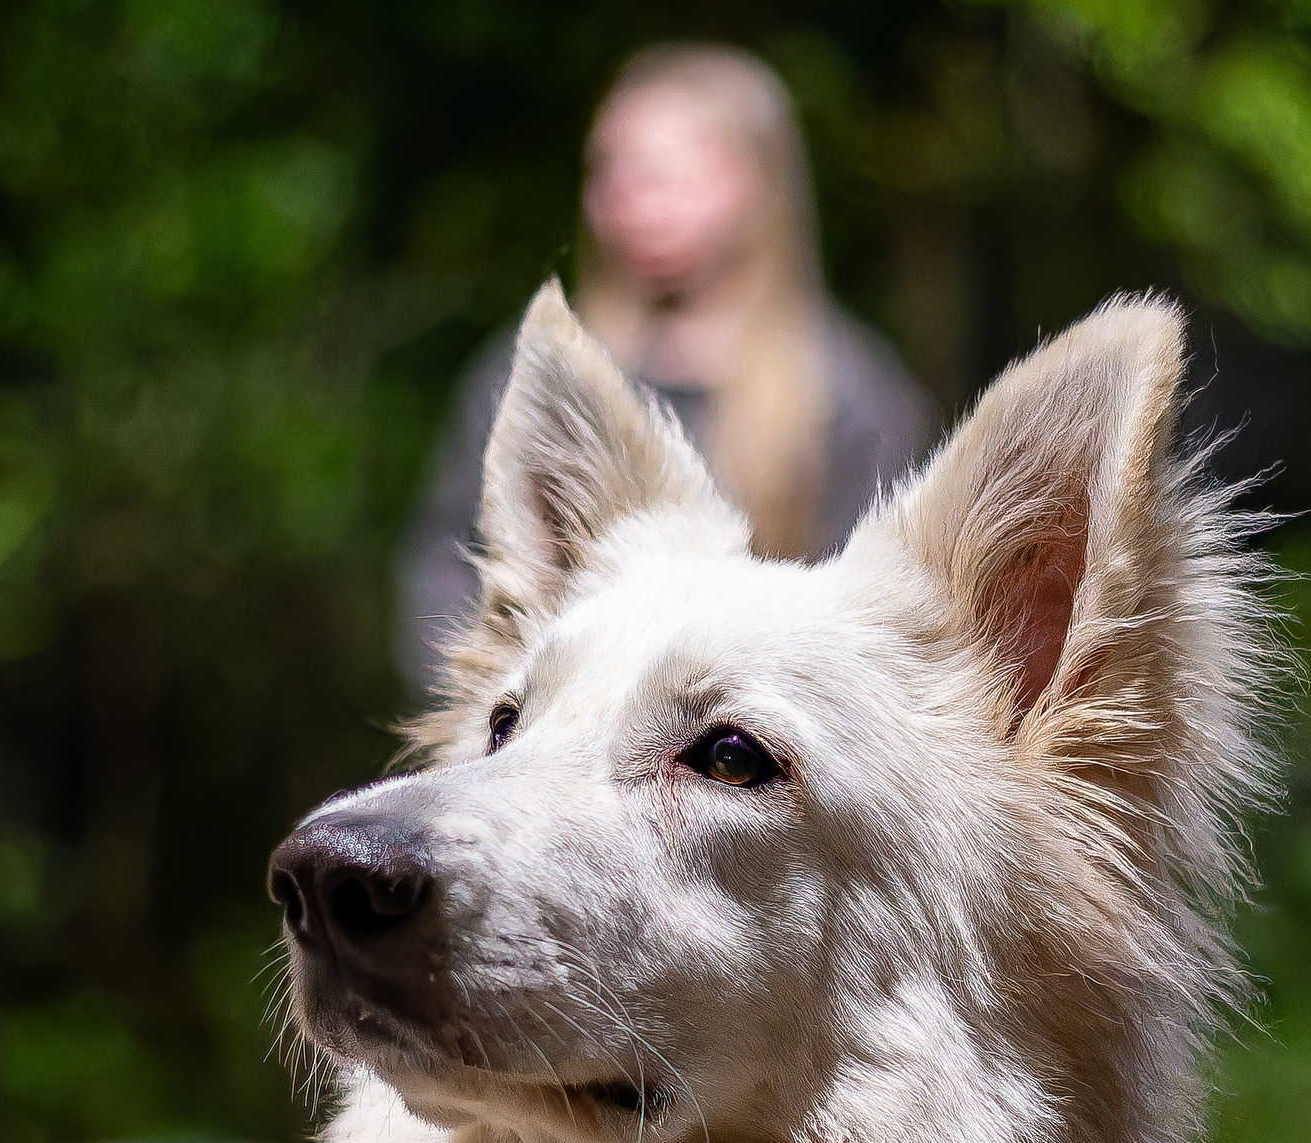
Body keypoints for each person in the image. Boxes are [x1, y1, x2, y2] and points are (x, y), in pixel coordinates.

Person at [397, 43, 939, 692]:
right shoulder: (543, 377)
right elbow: (445, 570)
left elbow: (890, 611)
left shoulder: (852, 394)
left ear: (757, 185)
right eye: (610, 173)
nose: (628, 201)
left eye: (665, 175)